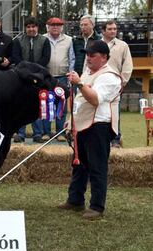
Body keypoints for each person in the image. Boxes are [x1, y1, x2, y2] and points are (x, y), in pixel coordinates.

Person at [59, 40, 121, 220]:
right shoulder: (87, 73)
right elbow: (78, 99)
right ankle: (75, 199)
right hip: (82, 124)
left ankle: (96, 207)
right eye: (87, 55)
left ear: (104, 57)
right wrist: (71, 121)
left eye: (92, 55)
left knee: (97, 167)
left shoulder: (109, 77)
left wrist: (79, 83)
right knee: (78, 164)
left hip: (99, 126)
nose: (88, 59)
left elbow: (94, 99)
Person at [12, 17, 51, 143]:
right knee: (21, 106)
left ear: (37, 28)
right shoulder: (18, 40)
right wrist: (26, 71)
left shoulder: (44, 41)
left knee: (37, 106)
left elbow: (46, 58)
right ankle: (20, 133)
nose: (31, 29)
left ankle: (37, 134)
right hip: (22, 78)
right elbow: (16, 57)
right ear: (25, 28)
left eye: (33, 26)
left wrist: (35, 71)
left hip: (39, 78)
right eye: (28, 27)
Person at [42, 17, 75, 142]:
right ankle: (46, 132)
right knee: (46, 104)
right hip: (47, 76)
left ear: (62, 27)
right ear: (47, 27)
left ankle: (60, 132)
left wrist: (70, 76)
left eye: (58, 25)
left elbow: (71, 58)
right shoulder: (42, 38)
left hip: (62, 76)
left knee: (61, 105)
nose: (55, 27)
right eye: (52, 25)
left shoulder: (68, 40)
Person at [101, 20, 133, 148]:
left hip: (115, 85)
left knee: (115, 113)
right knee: (100, 113)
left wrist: (122, 83)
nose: (113, 31)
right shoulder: (97, 44)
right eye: (110, 29)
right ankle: (102, 138)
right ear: (103, 31)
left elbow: (128, 66)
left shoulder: (123, 46)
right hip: (99, 85)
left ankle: (115, 139)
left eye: (115, 29)